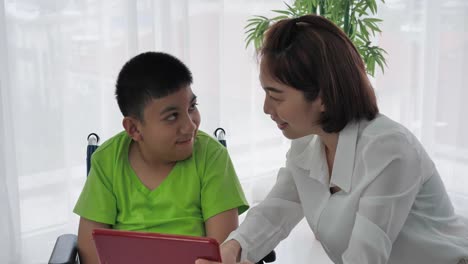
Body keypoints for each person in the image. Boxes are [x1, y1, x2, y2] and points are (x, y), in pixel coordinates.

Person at [196, 14, 468, 264]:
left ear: (323, 96)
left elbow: (365, 256)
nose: (266, 109)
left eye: (276, 96)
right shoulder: (306, 146)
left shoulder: (389, 149)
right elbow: (274, 212)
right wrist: (232, 249)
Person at [73, 52, 249, 264]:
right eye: (172, 116)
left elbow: (222, 250)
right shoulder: (108, 160)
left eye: (192, 107)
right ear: (134, 129)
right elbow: (90, 252)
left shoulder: (211, 157)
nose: (190, 125)